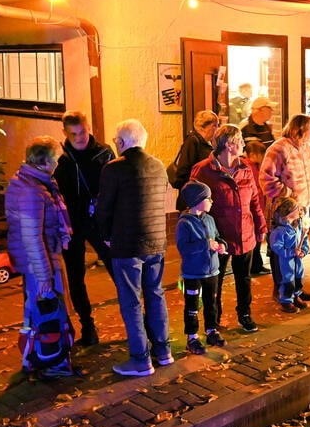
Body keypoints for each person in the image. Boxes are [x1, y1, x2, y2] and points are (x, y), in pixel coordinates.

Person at [96, 119, 172, 377]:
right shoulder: (159, 165)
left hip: (127, 243)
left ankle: (141, 359)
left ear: (123, 142)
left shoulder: (113, 169)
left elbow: (104, 207)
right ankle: (163, 352)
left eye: (117, 140)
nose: (115, 144)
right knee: (155, 294)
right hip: (157, 240)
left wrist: (106, 236)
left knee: (131, 301)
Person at [5, 137, 74, 377]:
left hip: (40, 258)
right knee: (46, 313)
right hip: (40, 262)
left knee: (36, 311)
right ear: (44, 161)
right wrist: (44, 274)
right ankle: (51, 360)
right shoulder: (31, 190)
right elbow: (33, 237)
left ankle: (36, 358)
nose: (57, 164)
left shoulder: (32, 181)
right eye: (55, 160)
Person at [191, 125, 266, 334]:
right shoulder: (204, 169)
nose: (244, 144)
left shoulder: (246, 168)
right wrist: (201, 234)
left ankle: (245, 314)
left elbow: (254, 200)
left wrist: (260, 226)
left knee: (244, 278)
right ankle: (213, 321)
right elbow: (192, 200)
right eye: (240, 140)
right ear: (230, 145)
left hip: (245, 233)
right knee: (215, 280)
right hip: (219, 236)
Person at [53, 111, 115, 346]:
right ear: (65, 133)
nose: (80, 137)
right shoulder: (62, 159)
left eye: (83, 131)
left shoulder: (104, 153)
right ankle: (87, 326)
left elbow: (115, 185)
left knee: (117, 269)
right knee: (76, 276)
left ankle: (135, 319)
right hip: (74, 225)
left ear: (89, 127)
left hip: (100, 222)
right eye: (74, 133)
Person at [260, 114, 310, 302]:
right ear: (300, 129)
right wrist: (289, 193)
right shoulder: (279, 148)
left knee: (298, 251)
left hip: (304, 208)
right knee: (283, 253)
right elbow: (266, 179)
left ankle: (296, 290)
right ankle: (282, 292)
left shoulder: (308, 149)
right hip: (285, 212)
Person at [176, 181, 226, 355]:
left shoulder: (210, 219)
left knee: (211, 302)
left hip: (212, 271)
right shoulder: (184, 224)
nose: (212, 201)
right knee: (192, 305)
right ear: (197, 200)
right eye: (208, 198)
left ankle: (211, 330)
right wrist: (206, 244)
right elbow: (184, 248)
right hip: (193, 273)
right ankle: (192, 337)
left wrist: (221, 245)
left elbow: (218, 237)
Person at [269, 197, 310, 313]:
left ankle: (296, 296)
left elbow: (304, 238)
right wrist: (291, 252)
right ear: (289, 212)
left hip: (297, 261)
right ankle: (286, 301)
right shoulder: (279, 230)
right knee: (287, 281)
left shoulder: (298, 224)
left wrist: (304, 250)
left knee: (298, 278)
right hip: (285, 263)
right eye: (297, 209)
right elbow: (277, 247)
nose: (300, 211)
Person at [173, 110, 218, 210]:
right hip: (192, 200)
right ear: (203, 127)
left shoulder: (209, 143)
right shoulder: (193, 141)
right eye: (214, 125)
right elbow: (184, 169)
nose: (217, 129)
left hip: (202, 198)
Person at [243, 140, 270, 276]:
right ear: (253, 154)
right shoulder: (249, 167)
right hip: (254, 208)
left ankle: (256, 264)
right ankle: (255, 266)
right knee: (256, 238)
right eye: (261, 155)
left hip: (257, 206)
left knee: (258, 237)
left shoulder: (254, 166)